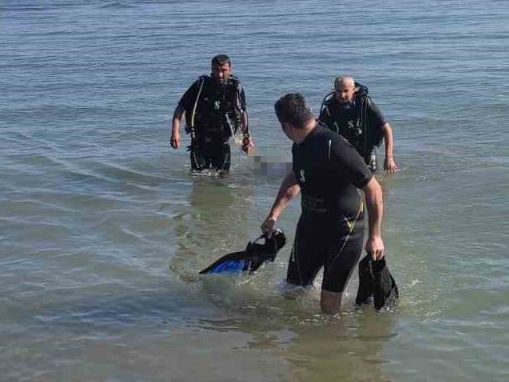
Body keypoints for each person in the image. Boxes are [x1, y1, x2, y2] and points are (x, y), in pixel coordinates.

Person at [261, 93, 385, 315]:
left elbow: (373, 188)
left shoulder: (334, 146)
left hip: (344, 231)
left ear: (286, 126)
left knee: (328, 305)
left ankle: (332, 346)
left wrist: (375, 237)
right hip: (310, 226)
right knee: (291, 291)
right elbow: (295, 178)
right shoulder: (299, 145)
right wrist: (274, 214)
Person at [170, 54, 253, 173]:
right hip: (200, 140)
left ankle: (264, 167)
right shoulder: (201, 85)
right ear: (211, 69)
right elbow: (179, 109)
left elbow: (242, 112)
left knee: (224, 179)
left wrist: (247, 137)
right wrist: (175, 133)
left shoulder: (235, 87)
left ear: (230, 69)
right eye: (216, 70)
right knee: (198, 177)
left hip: (222, 140)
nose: (219, 74)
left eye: (223, 70)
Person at [318, 75, 398, 173]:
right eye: (338, 91)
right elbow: (319, 133)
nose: (342, 95)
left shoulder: (365, 103)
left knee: (377, 184)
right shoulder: (329, 108)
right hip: (344, 153)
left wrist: (389, 158)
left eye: (346, 91)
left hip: (366, 152)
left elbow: (387, 129)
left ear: (353, 90)